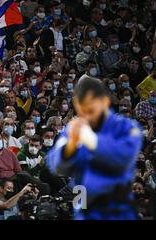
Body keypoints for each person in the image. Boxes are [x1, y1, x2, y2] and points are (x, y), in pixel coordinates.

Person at [47, 77, 142, 220]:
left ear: (104, 100)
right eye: (81, 104)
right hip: (83, 196)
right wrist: (71, 144)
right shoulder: (74, 128)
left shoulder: (126, 127)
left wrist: (89, 139)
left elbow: (122, 158)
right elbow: (57, 166)